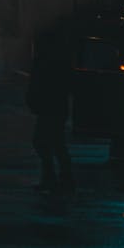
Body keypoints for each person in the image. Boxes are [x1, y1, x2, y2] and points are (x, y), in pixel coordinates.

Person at [26, 18, 76, 195]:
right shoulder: (60, 58)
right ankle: (59, 178)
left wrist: (34, 100)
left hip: (49, 107)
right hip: (55, 106)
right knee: (54, 142)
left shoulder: (46, 60)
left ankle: (56, 178)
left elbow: (37, 83)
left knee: (45, 142)